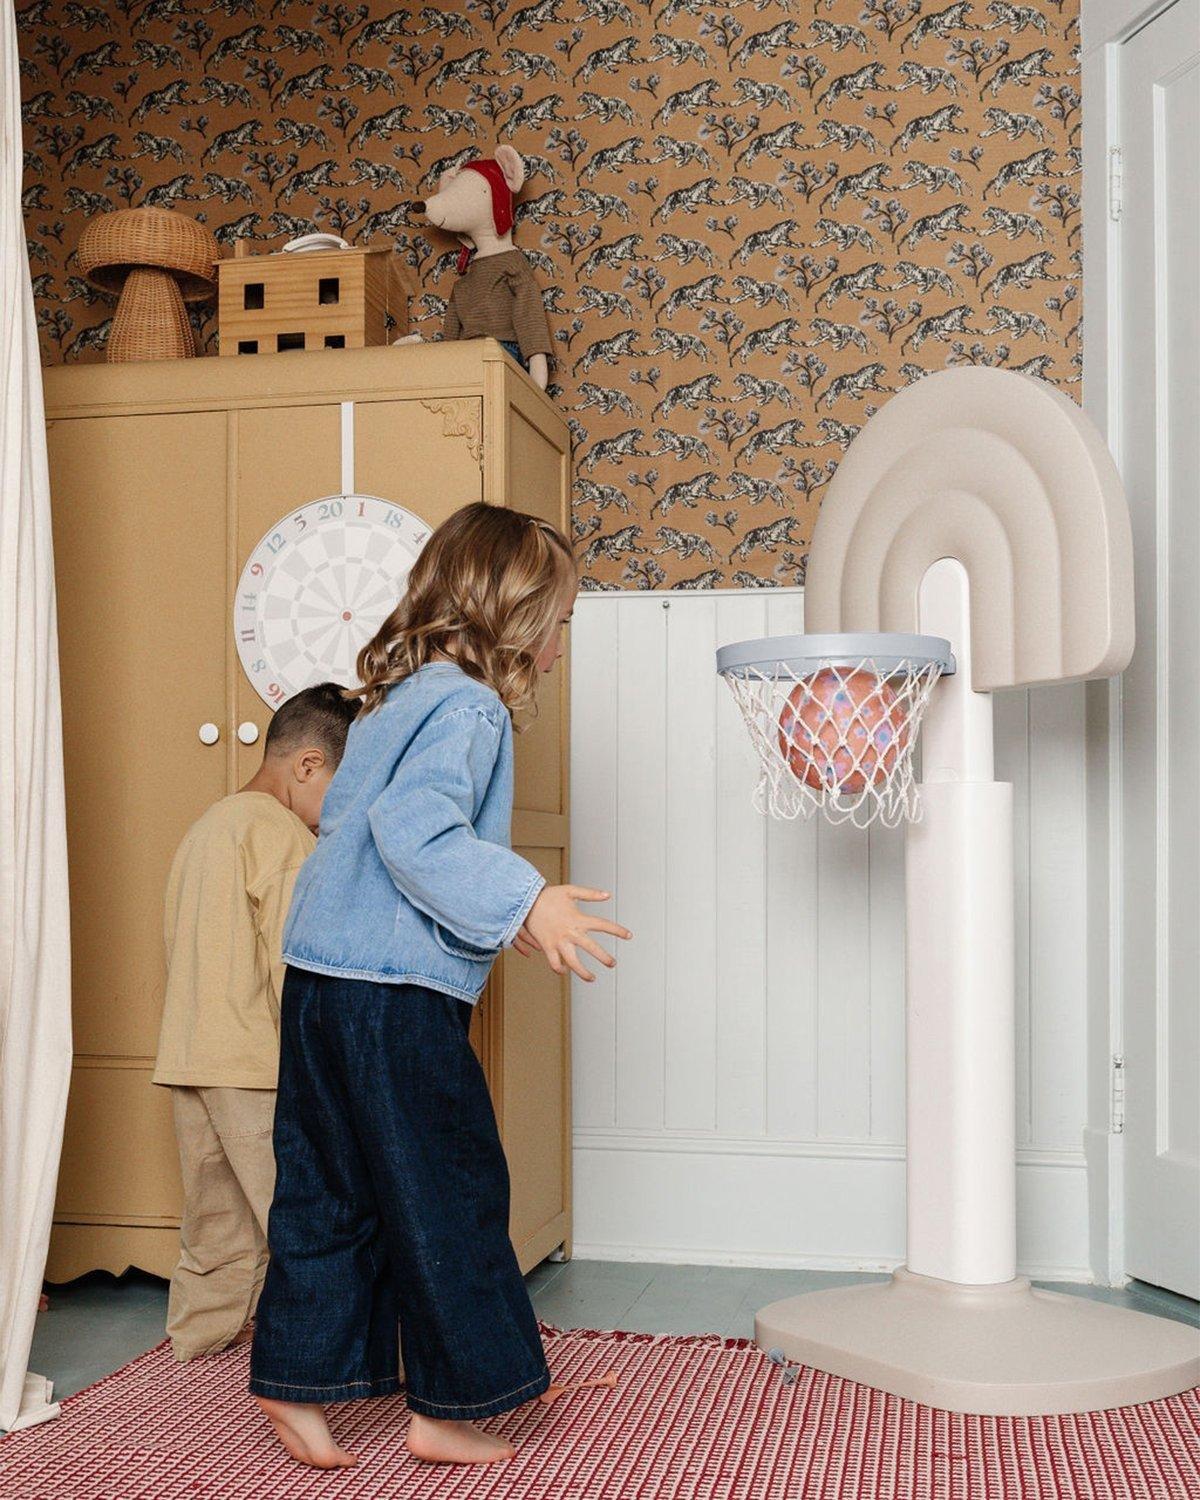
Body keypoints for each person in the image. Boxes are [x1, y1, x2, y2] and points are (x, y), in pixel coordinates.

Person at [249, 503, 631, 1470]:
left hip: (319, 982)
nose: (558, 648)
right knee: (447, 1189)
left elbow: (348, 815)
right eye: (558, 623)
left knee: (329, 1189)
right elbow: (414, 832)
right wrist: (526, 902)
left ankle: (297, 1382)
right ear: (508, 616)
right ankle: (452, 1403)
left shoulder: (394, 699)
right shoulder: (470, 706)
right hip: (394, 997)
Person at [152, 683, 357, 1363]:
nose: (338, 814)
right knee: (304, 1213)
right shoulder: (281, 835)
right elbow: (290, 960)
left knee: (215, 1221)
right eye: (341, 788)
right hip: (254, 1063)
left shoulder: (206, 826)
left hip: (190, 1055)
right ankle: (332, 1353)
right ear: (307, 766)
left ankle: (192, 1345)